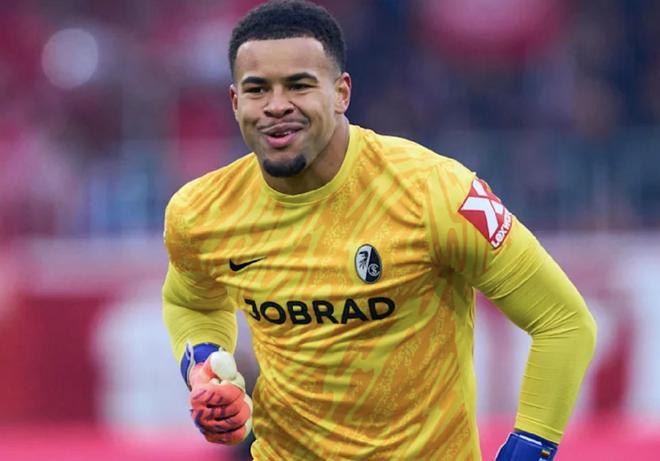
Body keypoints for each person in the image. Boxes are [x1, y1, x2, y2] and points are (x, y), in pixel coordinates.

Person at [162, 1, 597, 459]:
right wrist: (204, 366)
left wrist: (528, 448)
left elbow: (564, 322)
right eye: (257, 89)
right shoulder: (201, 212)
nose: (276, 106)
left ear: (341, 93)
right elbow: (190, 301)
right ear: (235, 102)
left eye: (299, 85)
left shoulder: (436, 192)